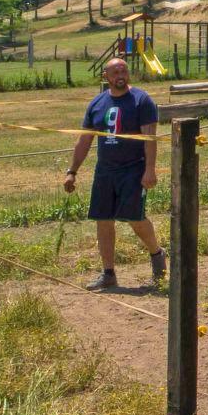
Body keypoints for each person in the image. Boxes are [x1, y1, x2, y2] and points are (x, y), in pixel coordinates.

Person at [64, 56, 165, 291]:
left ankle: (158, 257)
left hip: (133, 168)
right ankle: (108, 273)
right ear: (106, 77)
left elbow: (150, 138)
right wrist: (72, 171)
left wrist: (150, 170)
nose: (120, 76)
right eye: (115, 72)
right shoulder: (97, 104)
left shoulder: (142, 100)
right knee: (103, 219)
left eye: (124, 71)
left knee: (134, 218)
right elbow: (84, 140)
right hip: (105, 170)